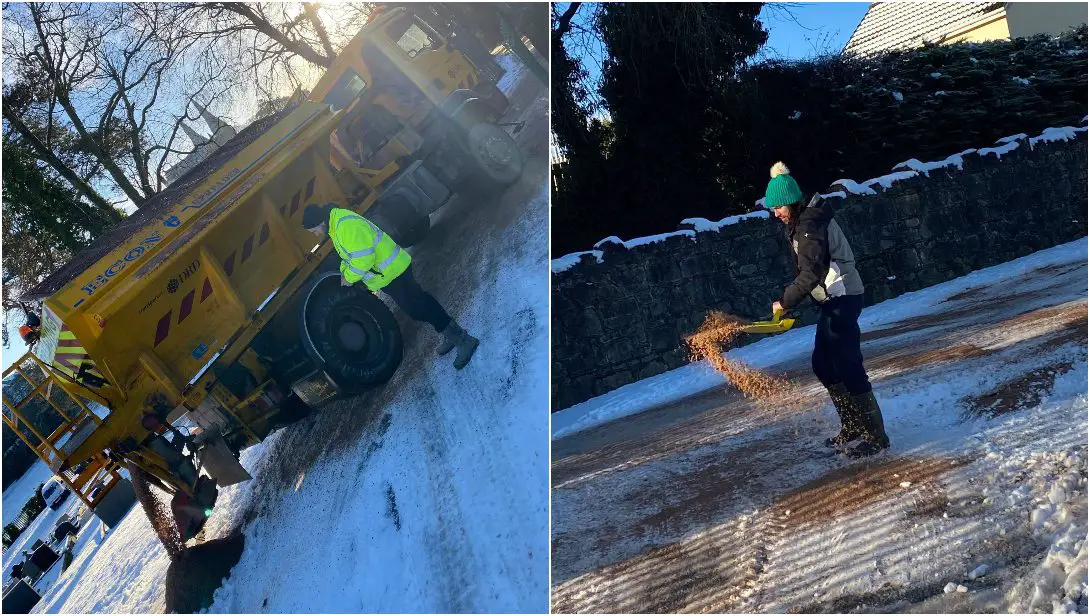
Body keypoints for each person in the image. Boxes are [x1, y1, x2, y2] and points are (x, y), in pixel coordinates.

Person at [763, 162, 890, 458]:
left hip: (843, 295)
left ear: (792, 201)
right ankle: (854, 426)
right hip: (832, 299)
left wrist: (785, 301)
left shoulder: (809, 226)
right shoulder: (803, 221)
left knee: (847, 363)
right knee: (823, 364)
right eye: (772, 209)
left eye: (779, 207)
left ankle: (876, 436)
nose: (776, 213)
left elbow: (809, 273)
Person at [301, 203, 479, 369]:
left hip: (394, 272)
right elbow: (349, 256)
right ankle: (449, 333)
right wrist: (343, 272)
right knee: (418, 307)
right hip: (388, 275)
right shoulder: (336, 226)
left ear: (320, 222)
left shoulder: (344, 226)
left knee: (419, 306)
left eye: (314, 230)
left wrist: (349, 277)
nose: (316, 234)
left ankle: (463, 339)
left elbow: (364, 258)